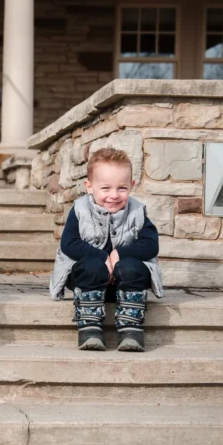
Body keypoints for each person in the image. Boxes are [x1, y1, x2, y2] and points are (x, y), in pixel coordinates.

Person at [50, 148, 163, 352]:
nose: (114, 195)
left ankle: (131, 328)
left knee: (132, 267)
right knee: (90, 265)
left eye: (122, 188)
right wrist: (103, 257)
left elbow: (151, 244)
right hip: (88, 282)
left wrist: (118, 254)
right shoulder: (80, 210)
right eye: (105, 188)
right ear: (89, 187)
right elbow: (69, 243)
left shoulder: (137, 211)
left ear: (132, 186)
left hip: (126, 284)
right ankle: (90, 328)